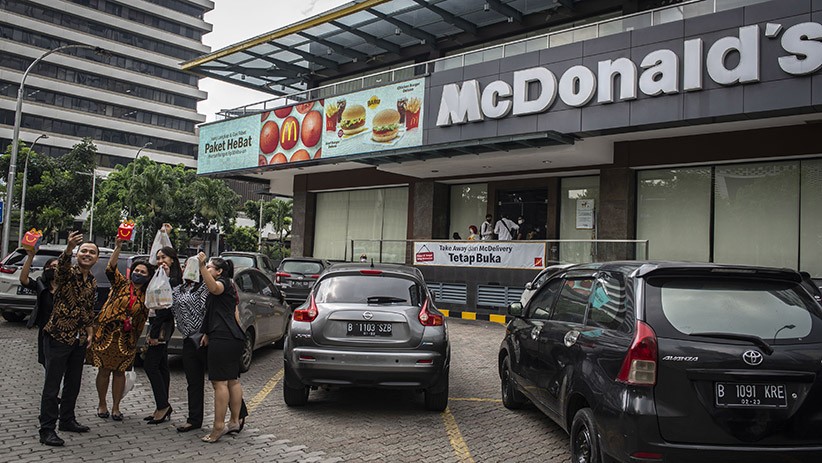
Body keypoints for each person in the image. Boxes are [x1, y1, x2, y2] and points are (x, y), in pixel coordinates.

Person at [38, 231, 99, 447]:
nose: (87, 254)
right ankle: (47, 429)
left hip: (78, 339)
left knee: (73, 383)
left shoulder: (91, 280)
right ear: (77, 254)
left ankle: (67, 419)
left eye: (92, 252)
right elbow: (61, 267)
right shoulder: (67, 273)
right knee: (52, 385)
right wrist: (69, 247)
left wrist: (90, 331)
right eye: (84, 251)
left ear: (96, 258)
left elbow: (88, 309)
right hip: (58, 336)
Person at [87, 237, 152, 422]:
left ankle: (116, 407)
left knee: (119, 372)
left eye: (143, 272)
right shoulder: (122, 284)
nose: (139, 274)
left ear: (148, 277)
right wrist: (117, 247)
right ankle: (102, 404)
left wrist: (138, 341)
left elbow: (142, 319)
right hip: (106, 334)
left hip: (127, 339)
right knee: (104, 370)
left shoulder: (147, 295)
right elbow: (110, 269)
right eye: (137, 270)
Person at [198, 255, 247, 443]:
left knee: (219, 383)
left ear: (219, 272)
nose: (208, 270)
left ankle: (218, 426)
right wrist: (207, 333)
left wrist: (201, 266)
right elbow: (232, 313)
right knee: (232, 381)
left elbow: (213, 287)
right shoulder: (231, 285)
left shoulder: (223, 284)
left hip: (223, 338)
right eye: (207, 266)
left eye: (210, 267)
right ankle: (234, 421)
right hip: (232, 336)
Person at [143, 239, 182, 425]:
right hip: (157, 323)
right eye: (158, 258)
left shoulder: (173, 280)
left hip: (161, 327)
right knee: (161, 365)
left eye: (163, 257)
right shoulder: (161, 275)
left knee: (151, 365)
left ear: (172, 259)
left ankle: (163, 405)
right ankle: (162, 405)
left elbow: (164, 308)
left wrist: (153, 334)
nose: (160, 260)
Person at [169, 268, 210, 433]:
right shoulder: (178, 288)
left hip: (204, 338)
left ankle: (238, 415)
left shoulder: (204, 287)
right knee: (193, 381)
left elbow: (208, 310)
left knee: (221, 380)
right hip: (188, 339)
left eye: (192, 266)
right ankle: (194, 419)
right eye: (186, 265)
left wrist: (207, 332)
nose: (188, 269)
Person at [20, 252, 59, 368]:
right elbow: (24, 279)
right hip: (45, 332)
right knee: (47, 363)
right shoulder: (41, 285)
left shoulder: (68, 287)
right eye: (50, 267)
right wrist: (30, 256)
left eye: (56, 267)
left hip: (63, 332)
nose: (53, 269)